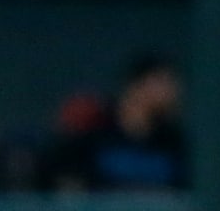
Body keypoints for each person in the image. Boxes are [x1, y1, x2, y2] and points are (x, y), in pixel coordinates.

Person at [39, 53, 189, 192]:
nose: (172, 92)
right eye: (162, 82)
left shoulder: (173, 141)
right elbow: (58, 177)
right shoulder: (95, 128)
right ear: (136, 86)